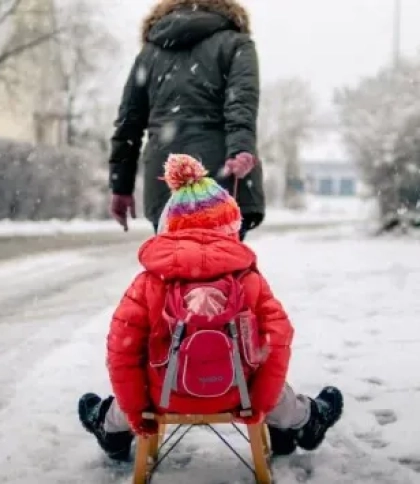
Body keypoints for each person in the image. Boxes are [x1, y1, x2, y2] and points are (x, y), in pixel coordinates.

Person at [78, 154, 343, 461]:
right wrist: (260, 405)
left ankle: (111, 429)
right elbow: (277, 339)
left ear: (169, 226)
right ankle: (302, 421)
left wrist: (137, 412)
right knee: (271, 384)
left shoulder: (149, 283)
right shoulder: (248, 280)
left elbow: (121, 351)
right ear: (231, 226)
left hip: (164, 397)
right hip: (237, 396)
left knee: (137, 379)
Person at [108, 0, 265, 241]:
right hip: (220, 178)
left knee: (174, 260)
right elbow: (241, 104)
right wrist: (240, 150)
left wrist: (121, 186)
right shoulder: (236, 44)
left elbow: (129, 123)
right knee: (221, 259)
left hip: (166, 180)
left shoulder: (150, 53)